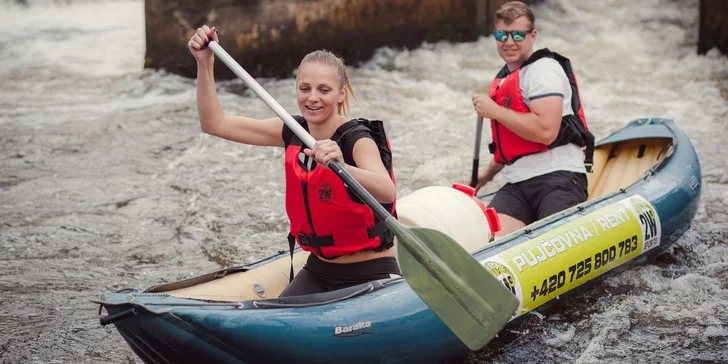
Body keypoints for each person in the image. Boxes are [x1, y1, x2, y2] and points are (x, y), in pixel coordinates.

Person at [188, 26, 400, 297]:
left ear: (341, 94)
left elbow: (386, 190)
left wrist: (343, 167)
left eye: (324, 90)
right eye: (305, 88)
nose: (312, 98)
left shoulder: (356, 139)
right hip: (319, 271)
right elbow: (214, 123)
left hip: (371, 270)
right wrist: (205, 64)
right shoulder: (291, 130)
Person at [471, 1, 594, 237]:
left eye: (517, 34)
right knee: (488, 240)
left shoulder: (543, 71)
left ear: (532, 35)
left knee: (553, 243)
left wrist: (494, 111)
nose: (508, 42)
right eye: (501, 34)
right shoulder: (506, 78)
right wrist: (484, 178)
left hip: (559, 177)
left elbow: (545, 131)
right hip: (518, 183)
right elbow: (515, 140)